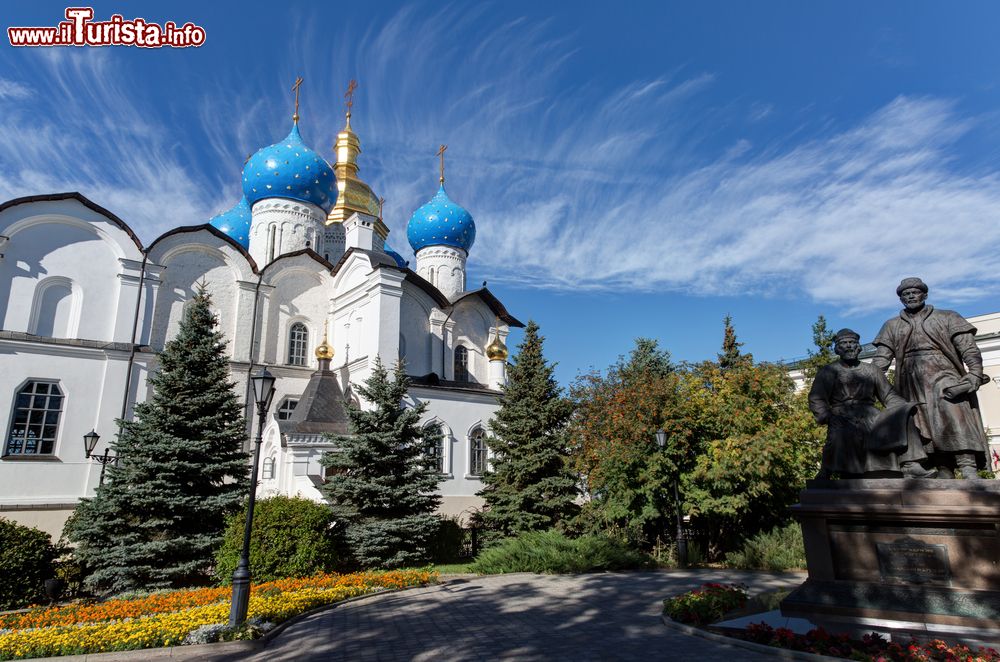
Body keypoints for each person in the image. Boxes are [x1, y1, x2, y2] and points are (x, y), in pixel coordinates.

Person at [872, 277, 989, 479]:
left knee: (953, 414)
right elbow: (881, 360)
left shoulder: (948, 317)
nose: (910, 296)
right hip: (910, 379)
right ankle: (943, 468)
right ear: (901, 299)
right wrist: (867, 381)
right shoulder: (892, 325)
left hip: (944, 372)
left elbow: (969, 349)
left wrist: (975, 373)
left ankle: (967, 465)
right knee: (920, 423)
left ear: (924, 294)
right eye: (905, 294)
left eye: (914, 292)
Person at [809, 328, 932, 478]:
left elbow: (888, 395)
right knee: (843, 428)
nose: (849, 346)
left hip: (870, 413)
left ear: (859, 347)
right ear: (837, 349)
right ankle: (829, 470)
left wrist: (903, 408)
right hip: (842, 413)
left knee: (905, 415)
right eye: (844, 343)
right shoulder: (828, 371)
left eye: (853, 343)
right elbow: (817, 398)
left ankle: (910, 464)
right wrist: (827, 416)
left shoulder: (872, 370)